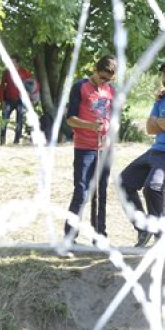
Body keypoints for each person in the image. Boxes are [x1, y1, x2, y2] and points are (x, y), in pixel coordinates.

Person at [119, 60, 165, 248]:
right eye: (164, 73)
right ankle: (143, 229)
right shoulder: (161, 100)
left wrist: (161, 122)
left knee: (153, 187)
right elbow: (149, 128)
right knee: (123, 182)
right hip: (155, 150)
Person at [63, 55, 116, 245]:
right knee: (82, 191)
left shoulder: (111, 90)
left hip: (105, 148)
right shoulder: (81, 87)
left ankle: (99, 234)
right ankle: (69, 236)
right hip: (84, 147)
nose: (104, 82)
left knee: (101, 192)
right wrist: (90, 125)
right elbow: (70, 119)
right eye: (102, 77)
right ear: (95, 70)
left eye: (108, 79)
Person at [0, 54, 34, 145]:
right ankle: (2, 140)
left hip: (21, 100)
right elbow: (2, 86)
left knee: (19, 120)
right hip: (9, 99)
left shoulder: (24, 72)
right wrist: (2, 100)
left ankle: (16, 141)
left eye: (13, 62)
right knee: (4, 119)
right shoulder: (6, 72)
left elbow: (31, 85)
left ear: (18, 63)